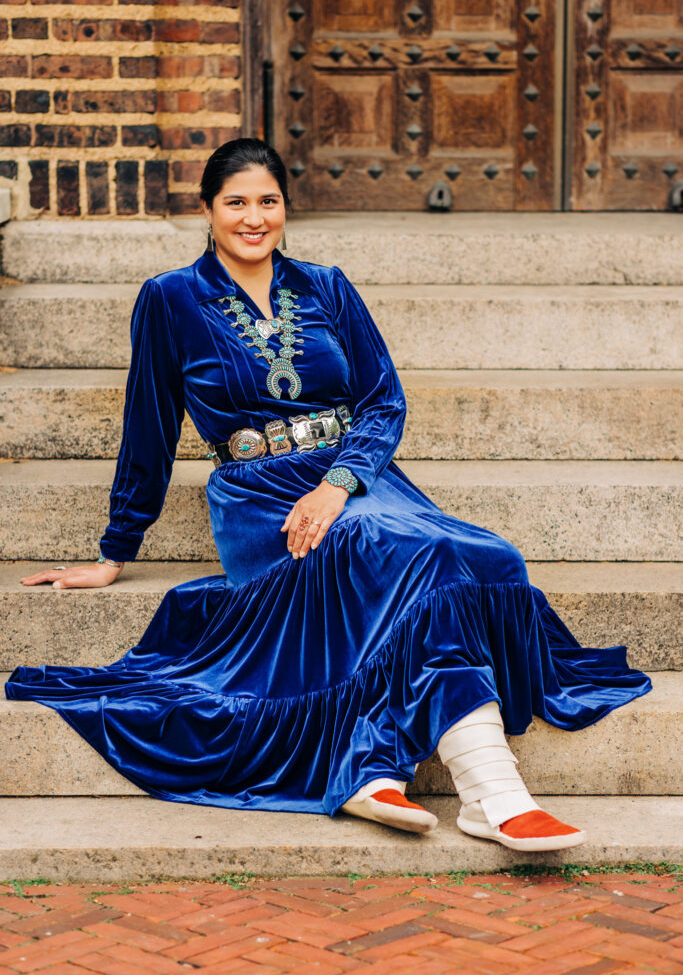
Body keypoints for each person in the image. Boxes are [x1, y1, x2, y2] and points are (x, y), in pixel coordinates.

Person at [7, 138, 651, 852]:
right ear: (207, 210)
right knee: (401, 554)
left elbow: (382, 402)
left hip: (353, 479)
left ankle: (372, 766)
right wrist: (114, 550)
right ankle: (491, 793)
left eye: (268, 202)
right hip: (260, 497)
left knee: (483, 555)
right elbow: (147, 430)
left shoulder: (326, 285)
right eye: (236, 203)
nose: (254, 218)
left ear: (286, 206)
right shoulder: (170, 299)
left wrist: (337, 483)